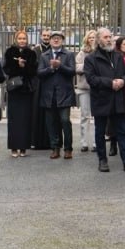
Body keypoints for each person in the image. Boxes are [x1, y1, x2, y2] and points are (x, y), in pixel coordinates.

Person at [85, 28, 125, 173]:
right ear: (98, 40)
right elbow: (91, 79)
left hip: (118, 100)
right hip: (101, 100)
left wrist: (122, 81)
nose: (109, 39)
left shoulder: (117, 56)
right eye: (106, 37)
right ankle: (102, 160)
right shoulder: (91, 59)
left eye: (110, 37)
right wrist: (111, 83)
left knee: (122, 132)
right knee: (100, 132)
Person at [38, 30, 76, 159]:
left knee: (65, 121)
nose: (55, 40)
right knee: (51, 122)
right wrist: (51, 68)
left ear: (62, 40)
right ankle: (55, 147)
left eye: (58, 38)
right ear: (50, 40)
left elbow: (72, 72)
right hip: (49, 95)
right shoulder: (44, 55)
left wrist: (60, 66)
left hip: (64, 94)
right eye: (53, 38)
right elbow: (40, 73)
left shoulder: (69, 54)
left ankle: (68, 148)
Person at [3, 30, 38, 157]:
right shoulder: (10, 52)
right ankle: (13, 147)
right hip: (14, 90)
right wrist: (17, 66)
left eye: (24, 38)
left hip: (26, 90)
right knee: (13, 119)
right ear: (16, 39)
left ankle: (23, 147)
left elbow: (34, 71)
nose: (22, 41)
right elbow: (6, 69)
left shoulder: (31, 53)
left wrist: (24, 67)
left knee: (25, 119)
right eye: (20, 38)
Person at [74, 30, 97, 152]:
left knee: (97, 116)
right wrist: (89, 66)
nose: (92, 39)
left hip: (98, 88)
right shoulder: (82, 53)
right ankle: (83, 142)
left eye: (94, 37)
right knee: (84, 115)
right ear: (86, 39)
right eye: (90, 37)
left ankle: (95, 142)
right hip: (84, 87)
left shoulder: (101, 52)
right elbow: (77, 67)